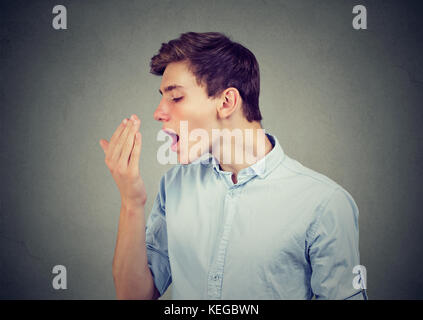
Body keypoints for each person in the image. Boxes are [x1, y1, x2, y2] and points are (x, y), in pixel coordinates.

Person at [99, 32, 367, 300]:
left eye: (176, 97)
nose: (158, 112)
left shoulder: (324, 203)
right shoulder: (174, 185)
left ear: (227, 102)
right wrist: (131, 202)